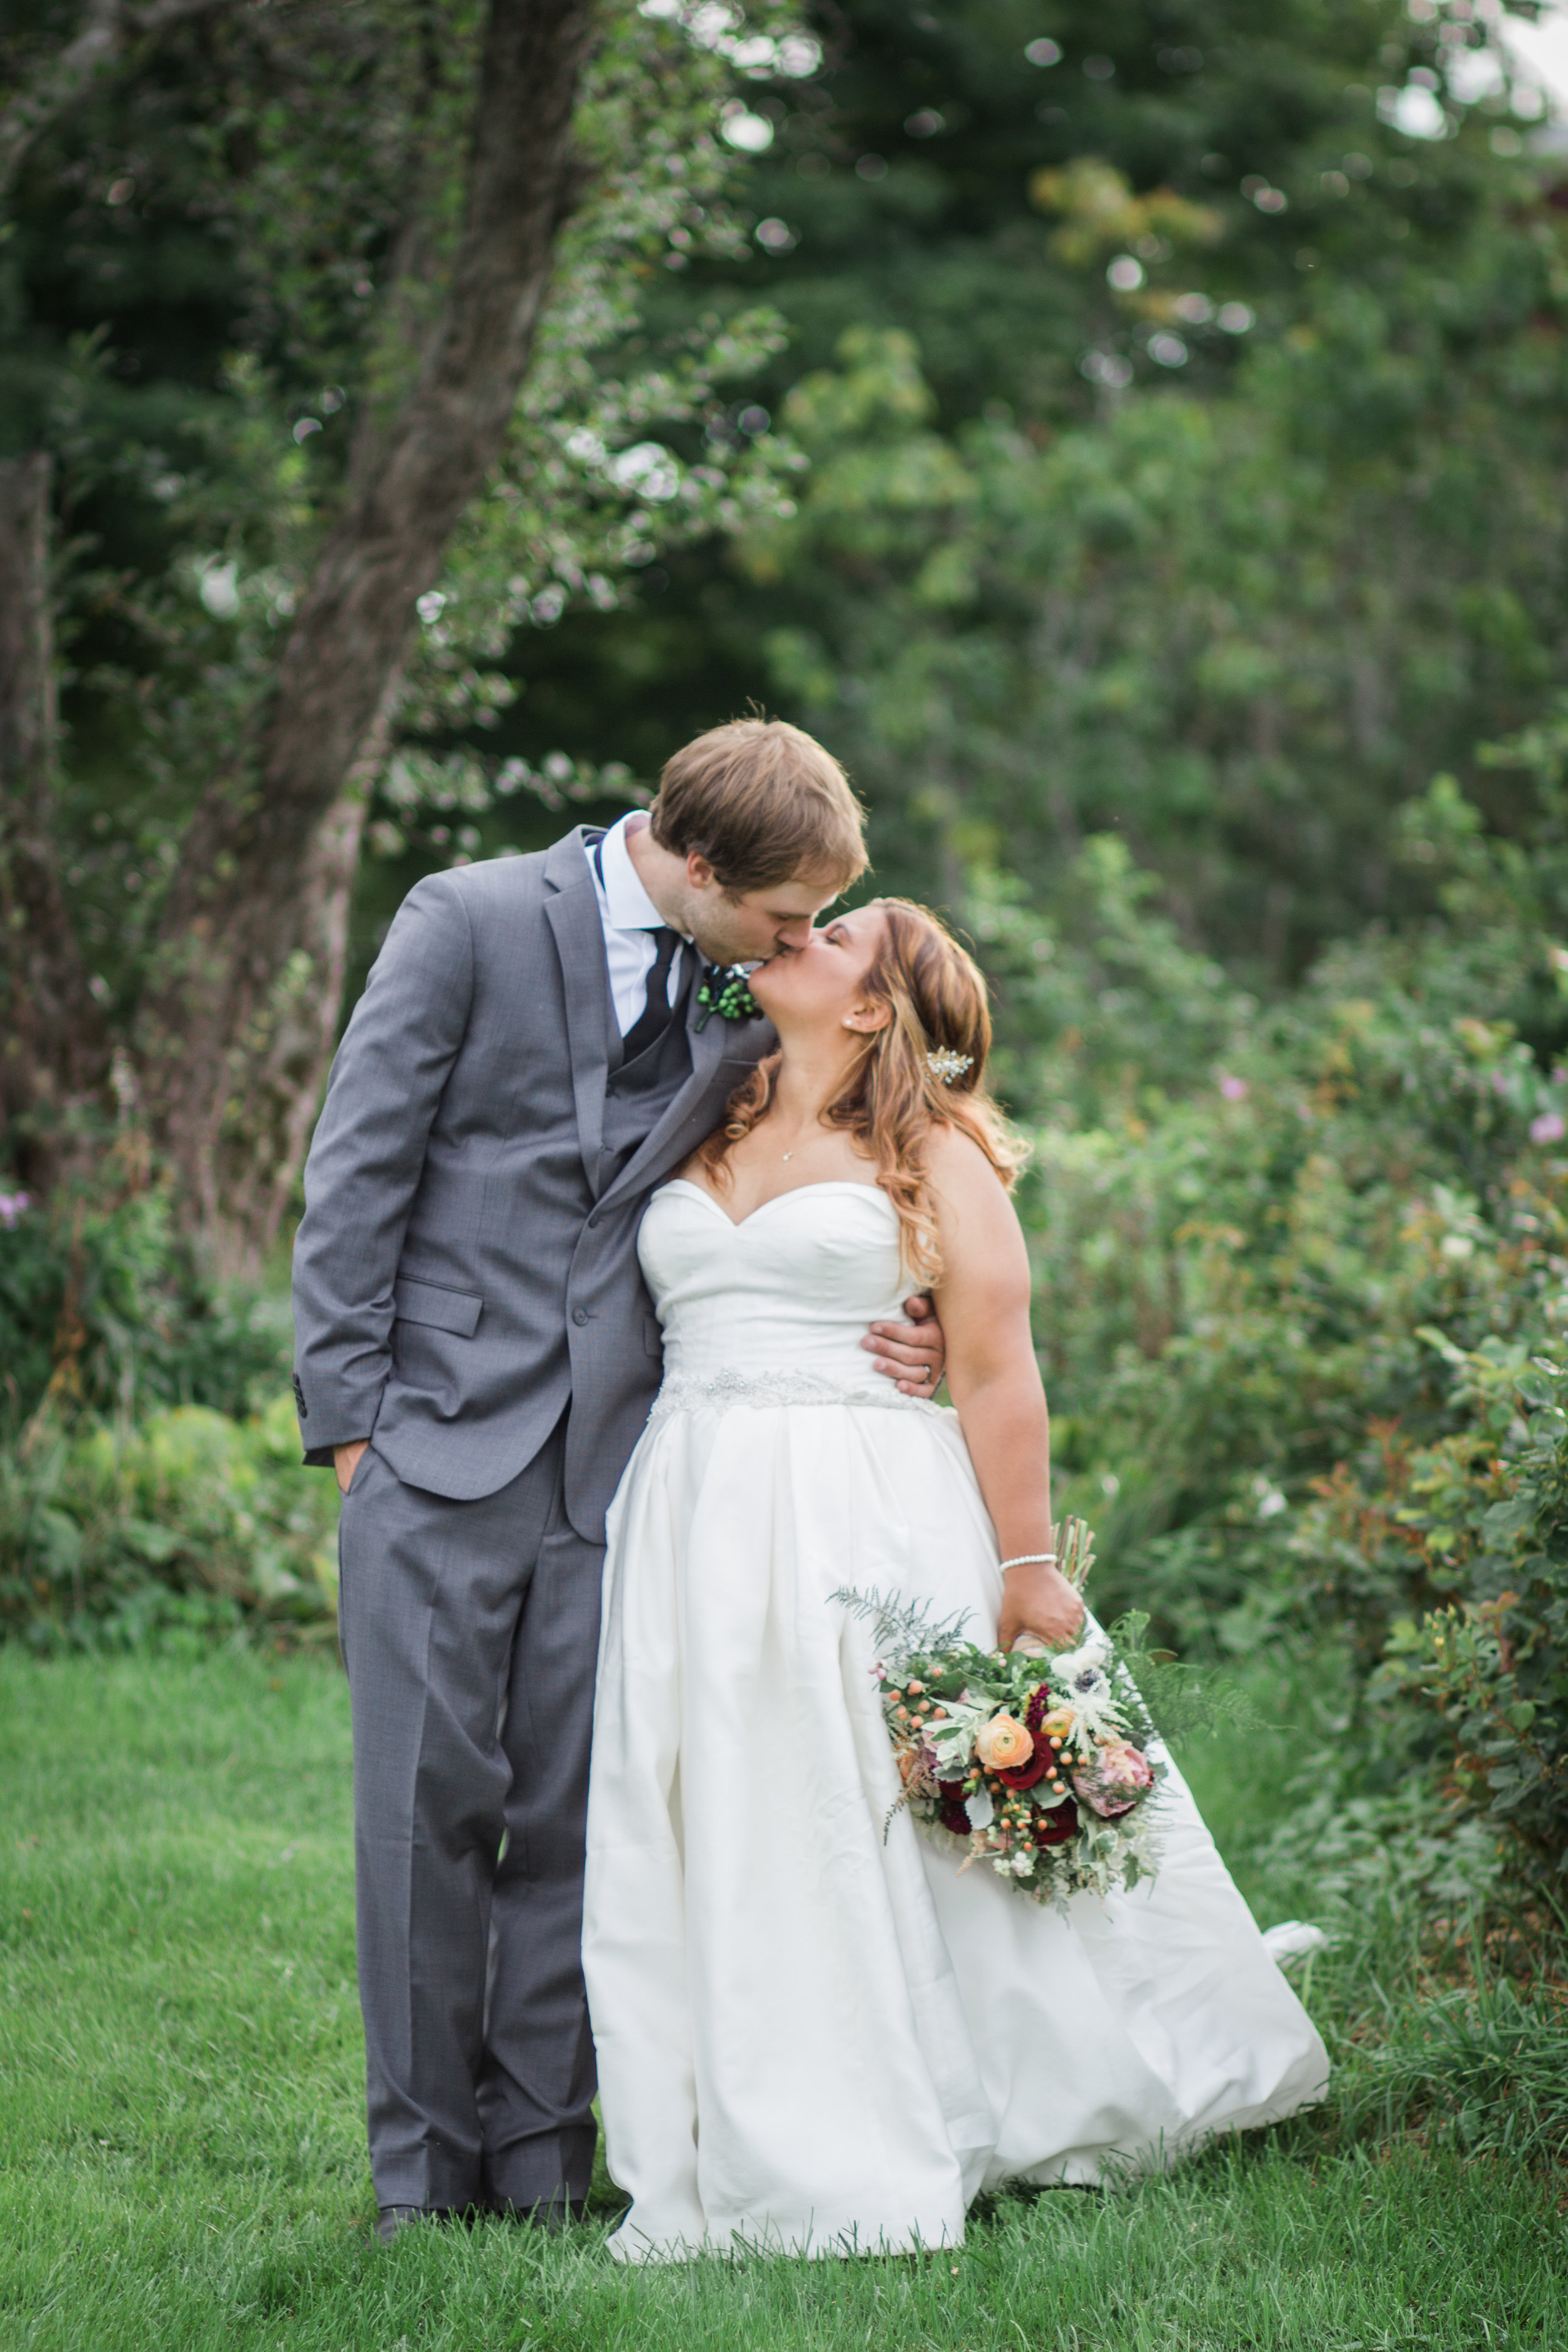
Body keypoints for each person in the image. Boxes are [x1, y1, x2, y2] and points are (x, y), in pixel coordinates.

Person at [582, 898, 1328, 2260]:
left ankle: (933, 2091)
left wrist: (1028, 1564)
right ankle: (709, 2105)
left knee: (867, 1805)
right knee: (707, 1802)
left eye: (829, 935)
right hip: (687, 1510)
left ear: (869, 1007)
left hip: (856, 1517)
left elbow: (995, 1364)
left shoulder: (930, 1152)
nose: (790, 932)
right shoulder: (707, 1093)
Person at [289, 721, 946, 2242]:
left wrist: (912, 1304)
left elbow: (873, 1128)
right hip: (432, 1443)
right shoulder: (464, 920)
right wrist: (349, 1425)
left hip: (635, 1460)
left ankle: (538, 2165)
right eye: (784, 918)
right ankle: (418, 2181)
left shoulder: (747, 984)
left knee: (583, 1822)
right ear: (695, 867)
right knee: (422, 1818)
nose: (801, 944)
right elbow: (358, 1166)